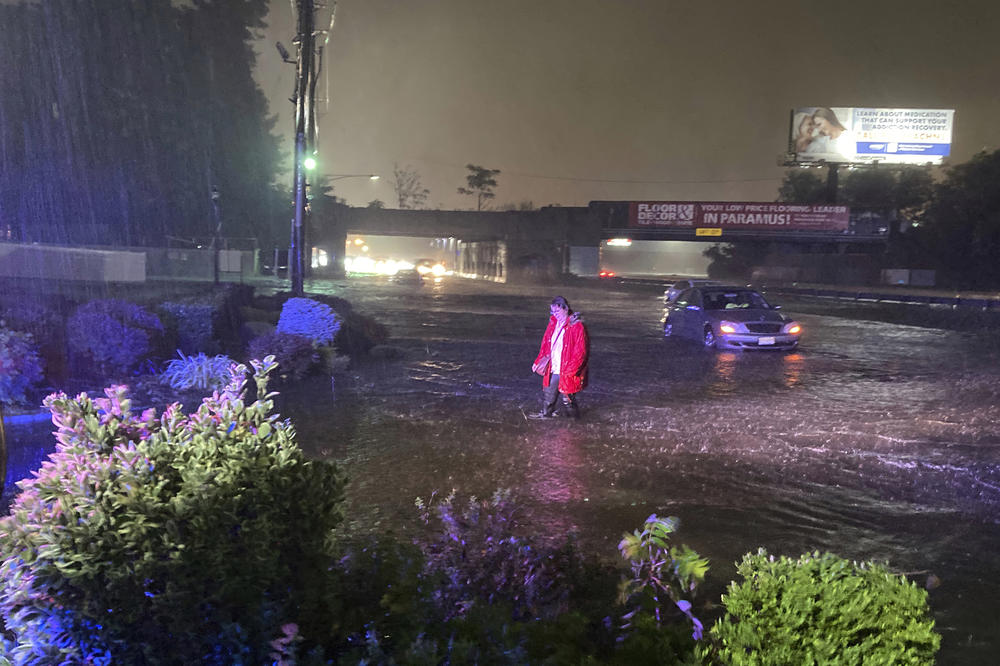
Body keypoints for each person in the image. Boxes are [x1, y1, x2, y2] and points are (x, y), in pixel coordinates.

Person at [529, 296, 589, 419]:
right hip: (554, 365)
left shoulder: (577, 326)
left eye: (557, 311)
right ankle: (546, 414)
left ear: (565, 309)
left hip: (568, 368)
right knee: (549, 392)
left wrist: (571, 370)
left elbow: (580, 352)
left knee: (567, 396)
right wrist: (538, 361)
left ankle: (575, 419)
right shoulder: (553, 324)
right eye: (553, 311)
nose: (555, 314)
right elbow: (546, 345)